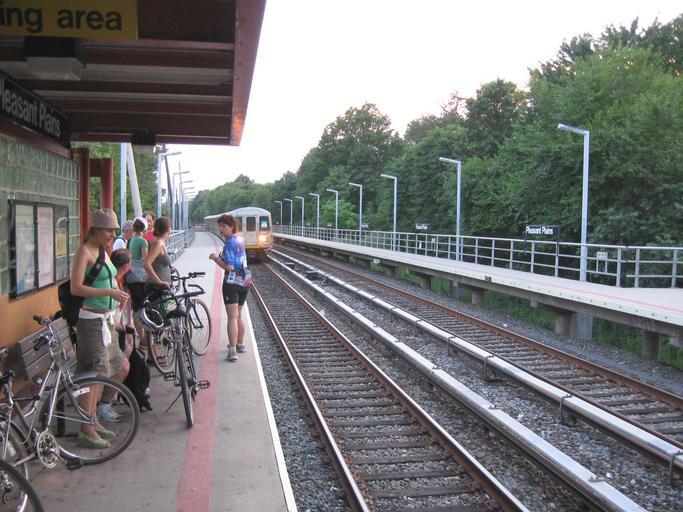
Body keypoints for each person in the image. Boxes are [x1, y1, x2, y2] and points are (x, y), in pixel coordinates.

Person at [70, 209, 130, 448]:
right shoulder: (84, 252)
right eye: (108, 230)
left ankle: (92, 420)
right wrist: (109, 292)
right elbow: (76, 288)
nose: (112, 234)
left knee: (113, 369)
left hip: (105, 320)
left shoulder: (103, 251)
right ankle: (86, 429)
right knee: (93, 375)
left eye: (114, 230)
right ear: (95, 229)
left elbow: (109, 277)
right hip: (91, 321)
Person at [209, 214, 250, 362]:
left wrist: (215, 258)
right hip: (245, 281)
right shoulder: (239, 240)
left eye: (224, 226)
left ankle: (232, 351)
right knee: (238, 315)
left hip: (232, 283)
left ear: (232, 227)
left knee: (232, 317)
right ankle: (240, 344)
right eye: (220, 226)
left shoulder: (229, 244)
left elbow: (229, 267)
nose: (221, 229)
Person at [143, 217, 172, 288]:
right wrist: (159, 281)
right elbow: (146, 264)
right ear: (168, 229)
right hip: (157, 287)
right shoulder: (158, 243)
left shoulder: (160, 242)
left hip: (162, 286)